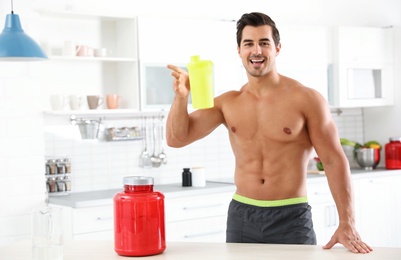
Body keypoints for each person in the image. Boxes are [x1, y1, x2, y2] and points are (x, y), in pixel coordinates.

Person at [166, 12, 372, 254]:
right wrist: (181, 98)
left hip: (291, 216)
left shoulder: (306, 99)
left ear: (277, 48)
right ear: (239, 51)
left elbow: (334, 161)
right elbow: (176, 139)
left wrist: (347, 222)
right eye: (249, 43)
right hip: (242, 215)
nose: (257, 51)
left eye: (264, 43)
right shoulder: (228, 102)